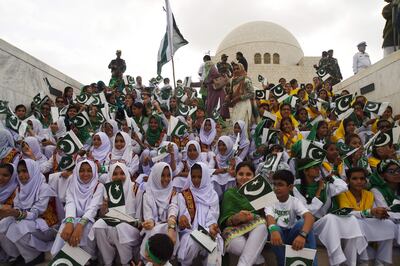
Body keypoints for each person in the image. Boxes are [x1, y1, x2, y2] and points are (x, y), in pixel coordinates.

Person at [0, 159, 60, 265]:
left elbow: (35, 213)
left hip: (47, 226)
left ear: (33, 170)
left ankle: (34, 256)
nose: (21, 175)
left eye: (24, 171)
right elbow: (18, 208)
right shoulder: (20, 189)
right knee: (3, 224)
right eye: (19, 172)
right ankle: (18, 255)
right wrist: (10, 213)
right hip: (30, 223)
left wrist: (15, 213)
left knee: (19, 227)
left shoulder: (44, 188)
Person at [337, 167, 396, 265]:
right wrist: (369, 212)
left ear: (365, 180)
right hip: (348, 226)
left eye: (362, 178)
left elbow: (373, 211)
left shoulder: (369, 194)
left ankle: (381, 262)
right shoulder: (342, 194)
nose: (359, 181)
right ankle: (357, 262)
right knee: (355, 223)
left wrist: (379, 213)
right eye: (355, 179)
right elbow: (346, 213)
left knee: (388, 224)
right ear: (347, 181)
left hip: (365, 223)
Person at [51, 159, 105, 262]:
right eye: (82, 170)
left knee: (86, 228)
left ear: (94, 171)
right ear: (77, 172)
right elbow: (70, 203)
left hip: (90, 220)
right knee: (65, 226)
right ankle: (63, 259)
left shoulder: (99, 186)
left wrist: (80, 226)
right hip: (73, 218)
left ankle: (88, 259)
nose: (85, 174)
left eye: (89, 170)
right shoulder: (73, 183)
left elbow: (92, 208)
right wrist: (70, 223)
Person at [90, 162, 141, 266]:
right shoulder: (108, 188)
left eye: (122, 173)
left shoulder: (135, 188)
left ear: (127, 174)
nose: (118, 177)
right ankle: (108, 261)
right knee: (98, 225)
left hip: (133, 227)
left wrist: (124, 219)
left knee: (119, 227)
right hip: (114, 224)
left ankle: (126, 262)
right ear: (110, 175)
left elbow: (139, 218)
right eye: (115, 174)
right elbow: (104, 215)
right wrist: (104, 209)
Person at [219, 162, 268, 266]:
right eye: (241, 174)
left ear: (254, 176)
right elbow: (225, 221)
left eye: (248, 174)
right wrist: (236, 218)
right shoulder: (230, 193)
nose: (244, 177)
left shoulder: (260, 191)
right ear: (235, 176)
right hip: (235, 230)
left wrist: (254, 216)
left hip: (256, 231)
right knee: (234, 243)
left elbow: (267, 216)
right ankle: (259, 260)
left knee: (262, 227)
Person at [265, 169, 317, 266]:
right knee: (274, 228)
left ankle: (313, 263)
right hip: (278, 235)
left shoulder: (294, 201)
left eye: (280, 184)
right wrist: (273, 230)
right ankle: (282, 263)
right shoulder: (270, 200)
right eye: (274, 184)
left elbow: (310, 217)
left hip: (292, 234)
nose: (276, 188)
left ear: (290, 187)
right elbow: (269, 217)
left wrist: (302, 235)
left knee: (303, 223)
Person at [177, 163, 221, 265]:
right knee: (193, 243)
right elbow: (184, 215)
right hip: (190, 232)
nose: (196, 180)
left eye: (200, 177)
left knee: (214, 254)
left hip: (208, 231)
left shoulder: (212, 194)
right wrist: (184, 221)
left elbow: (213, 215)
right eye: (193, 177)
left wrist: (211, 227)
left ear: (205, 176)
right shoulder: (184, 195)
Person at [226, 63, 254, 128]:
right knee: (235, 124)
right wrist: (228, 97)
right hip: (235, 105)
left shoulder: (246, 80)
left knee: (242, 124)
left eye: (237, 69)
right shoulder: (232, 81)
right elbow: (231, 92)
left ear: (241, 69)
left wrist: (239, 98)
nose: (235, 70)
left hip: (244, 104)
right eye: (234, 69)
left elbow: (252, 93)